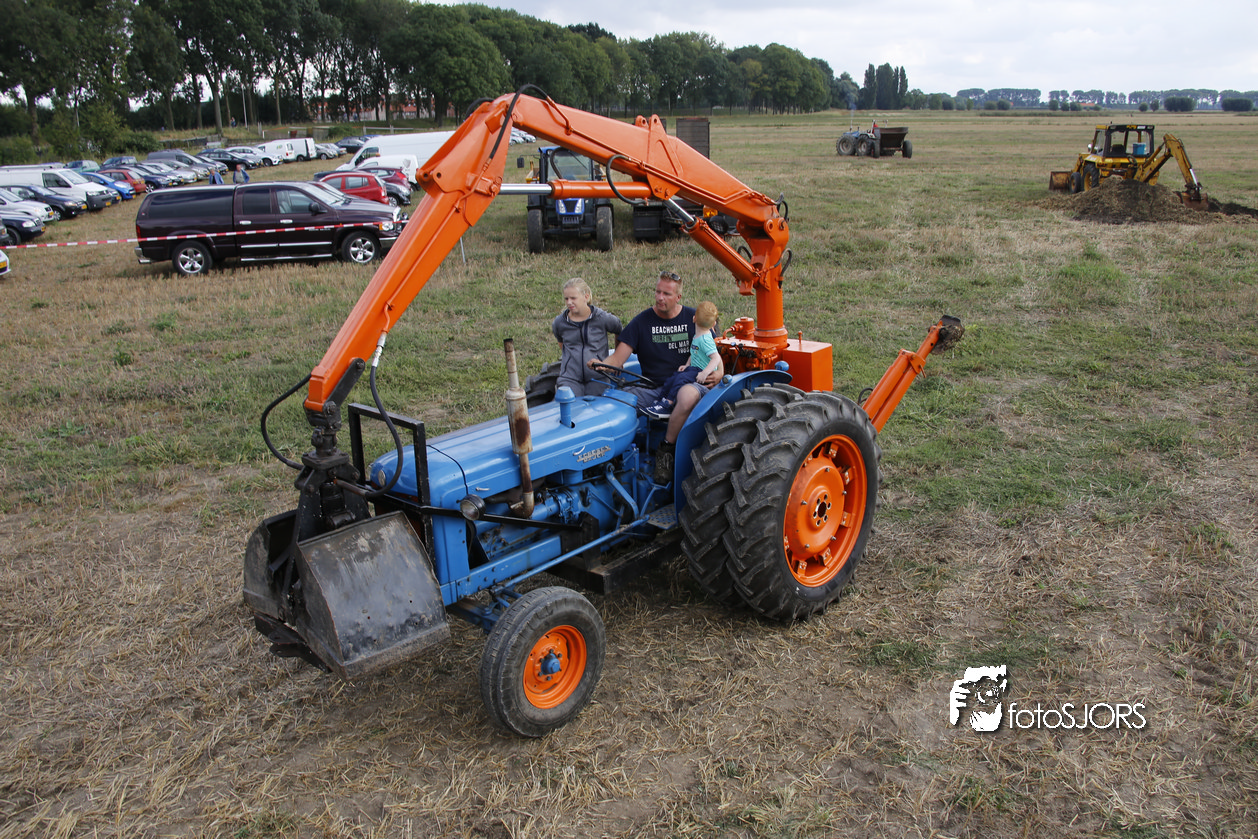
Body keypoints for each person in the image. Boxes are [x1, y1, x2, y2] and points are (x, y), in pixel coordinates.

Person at [601, 271, 722, 484]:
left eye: (666, 293)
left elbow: (717, 353)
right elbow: (617, 359)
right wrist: (600, 364)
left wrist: (719, 373)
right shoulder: (642, 322)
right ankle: (616, 459)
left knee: (686, 396)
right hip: (655, 388)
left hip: (691, 382)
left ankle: (666, 451)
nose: (660, 297)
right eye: (657, 292)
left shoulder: (695, 319)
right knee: (616, 402)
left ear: (678, 297)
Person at [644, 300, 720, 418]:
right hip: (693, 368)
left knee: (680, 379)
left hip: (701, 371)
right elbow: (694, 353)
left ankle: (668, 405)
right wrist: (687, 365)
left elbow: (716, 358)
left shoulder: (705, 340)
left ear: (694, 318)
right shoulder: (698, 335)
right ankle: (660, 402)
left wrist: (705, 373)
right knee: (673, 378)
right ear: (713, 324)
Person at [551, 277, 622, 397]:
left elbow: (619, 330)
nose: (569, 302)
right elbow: (562, 344)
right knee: (568, 403)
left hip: (598, 376)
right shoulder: (559, 323)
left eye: (573, 298)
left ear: (586, 297)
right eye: (566, 299)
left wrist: (617, 359)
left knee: (596, 406)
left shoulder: (602, 318)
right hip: (570, 378)